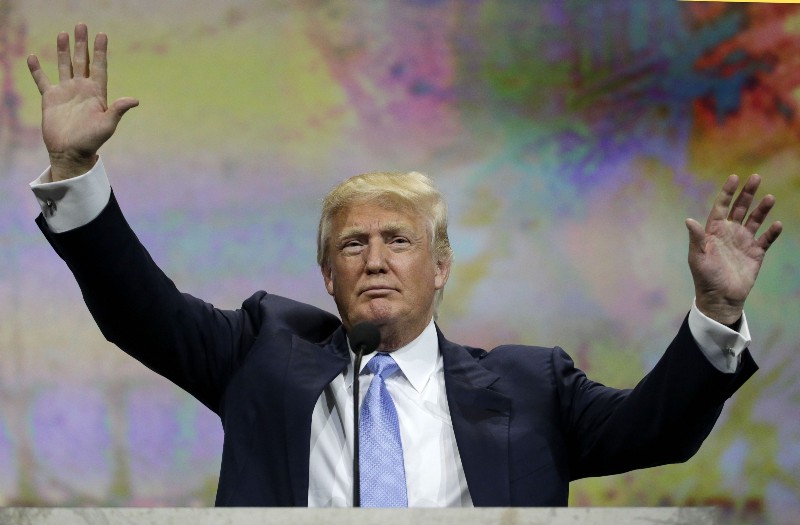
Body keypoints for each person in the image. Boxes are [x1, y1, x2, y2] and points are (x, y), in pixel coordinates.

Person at [26, 24, 782, 507]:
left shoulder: (532, 387)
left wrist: (715, 314)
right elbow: (138, 308)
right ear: (327, 276)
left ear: (442, 264)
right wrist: (74, 166)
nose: (376, 260)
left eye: (399, 240)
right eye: (353, 246)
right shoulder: (258, 349)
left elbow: (658, 429)